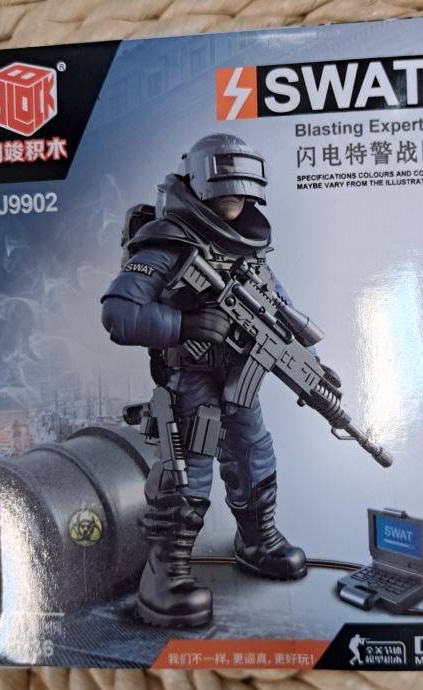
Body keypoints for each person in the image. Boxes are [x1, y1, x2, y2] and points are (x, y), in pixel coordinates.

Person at [101, 133, 340, 627]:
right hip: (190, 378)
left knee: (254, 451)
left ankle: (258, 540)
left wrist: (314, 366)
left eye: (242, 192)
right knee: (188, 468)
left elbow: (280, 312)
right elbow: (119, 314)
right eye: (225, 190)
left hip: (238, 377)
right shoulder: (167, 242)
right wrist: (183, 325)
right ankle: (165, 574)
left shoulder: (249, 248)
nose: (235, 201)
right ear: (200, 185)